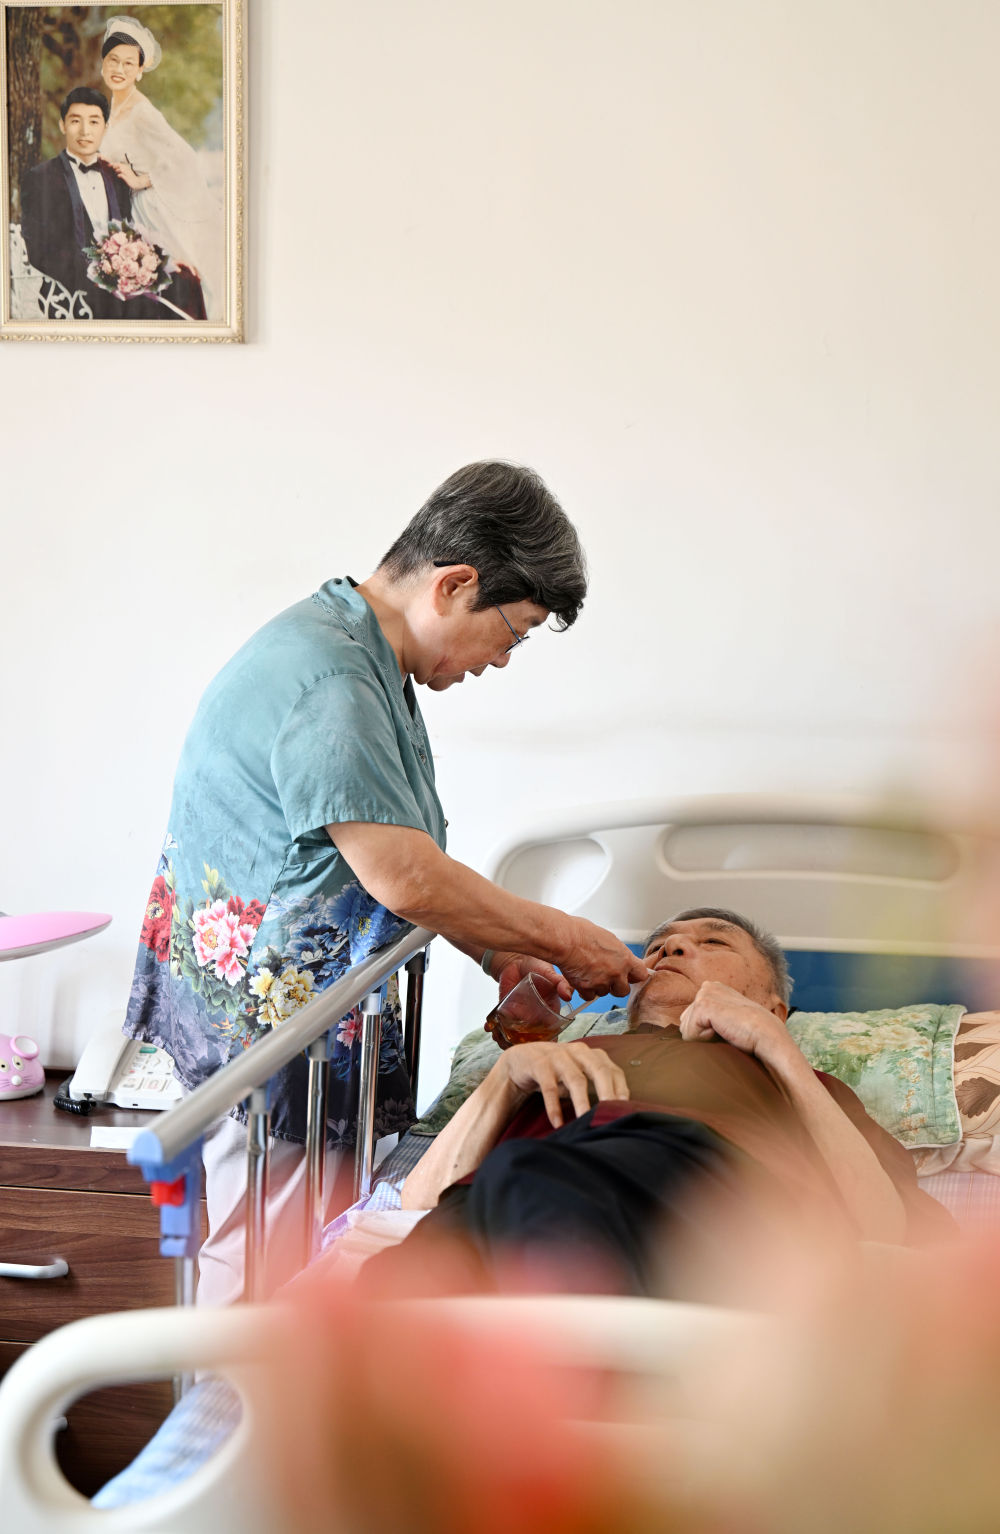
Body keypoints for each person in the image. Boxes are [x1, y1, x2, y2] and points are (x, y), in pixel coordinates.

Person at [123, 461, 648, 1306]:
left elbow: (402, 855)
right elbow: (403, 877)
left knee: (304, 1252)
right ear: (456, 584)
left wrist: (499, 955)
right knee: (264, 1273)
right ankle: (239, 1395)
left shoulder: (367, 661)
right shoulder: (333, 680)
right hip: (268, 1028)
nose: (502, 660)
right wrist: (561, 935)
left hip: (309, 1017)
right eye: (512, 634)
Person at [388, 908, 954, 1298]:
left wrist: (777, 1050)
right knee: (429, 1255)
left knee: (512, 1191)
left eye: (714, 942)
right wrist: (505, 1078)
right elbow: (418, 1202)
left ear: (772, 1005)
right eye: (658, 944)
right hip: (508, 1199)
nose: (669, 949)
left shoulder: (804, 1083)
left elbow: (884, 1228)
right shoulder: (550, 1060)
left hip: (703, 1199)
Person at [97, 16, 221, 319]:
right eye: (113, 60)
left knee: (177, 285)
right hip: (131, 212)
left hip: (153, 211)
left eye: (129, 63)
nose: (119, 69)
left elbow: (183, 158)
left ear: (140, 71)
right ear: (103, 64)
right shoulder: (114, 108)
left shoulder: (142, 111)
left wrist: (141, 180)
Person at [18, 87, 167, 320]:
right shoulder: (40, 178)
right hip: (69, 297)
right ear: (62, 125)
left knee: (175, 292)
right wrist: (98, 279)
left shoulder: (118, 176)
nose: (85, 131)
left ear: (105, 127)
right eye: (75, 121)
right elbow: (39, 250)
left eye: (94, 122)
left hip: (124, 294)